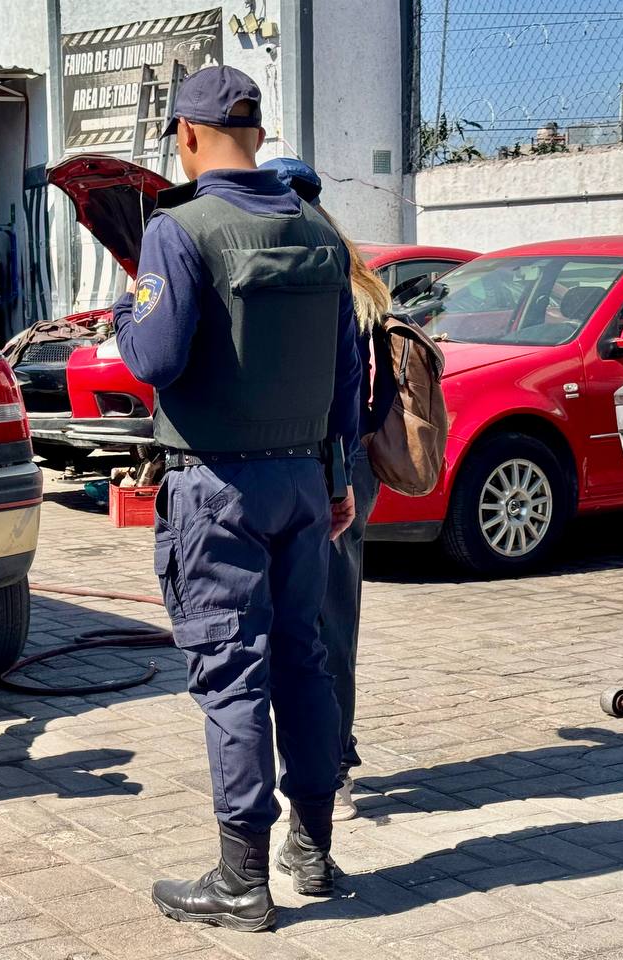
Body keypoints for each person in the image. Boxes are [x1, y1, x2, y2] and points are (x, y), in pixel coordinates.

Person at [113, 65, 362, 931]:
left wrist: (123, 312)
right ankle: (314, 851)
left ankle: (240, 879)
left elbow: (152, 360)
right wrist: (336, 480)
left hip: (217, 488)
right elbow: (348, 377)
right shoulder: (318, 228)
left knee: (231, 674)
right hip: (301, 479)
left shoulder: (178, 230)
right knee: (305, 661)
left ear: (185, 136)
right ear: (257, 130)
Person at [260, 158, 392, 821]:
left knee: (304, 625)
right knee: (332, 622)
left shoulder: (297, 277)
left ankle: (327, 765)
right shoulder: (357, 280)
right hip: (349, 465)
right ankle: (332, 760)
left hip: (312, 466)